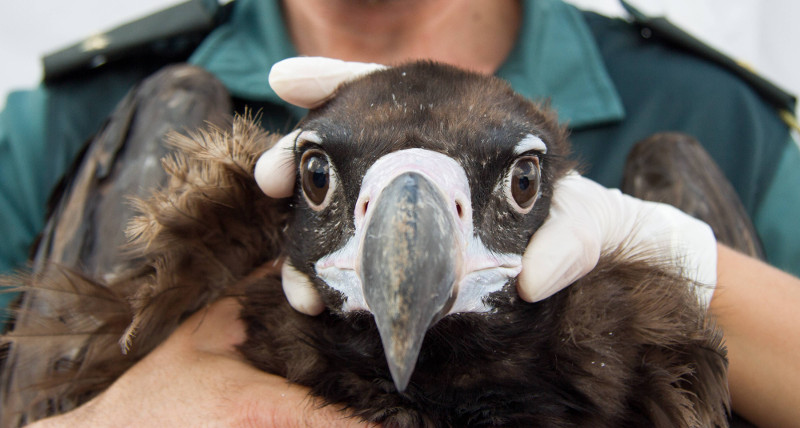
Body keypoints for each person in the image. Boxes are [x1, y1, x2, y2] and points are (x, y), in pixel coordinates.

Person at [2, 0, 798, 426]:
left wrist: (681, 258)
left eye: (521, 185)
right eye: (319, 179)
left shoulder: (723, 122)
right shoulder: (66, 124)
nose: (412, 237)